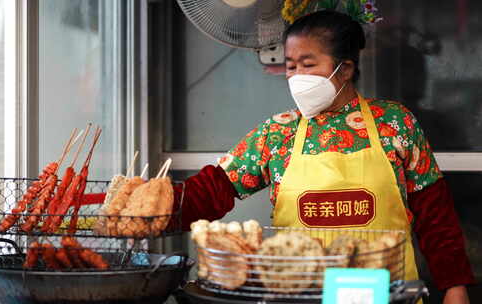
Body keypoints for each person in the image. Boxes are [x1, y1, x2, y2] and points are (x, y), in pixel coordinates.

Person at [172, 10, 475, 304]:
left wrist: (454, 284)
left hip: (386, 295)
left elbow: (435, 216)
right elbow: (213, 190)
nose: (297, 76)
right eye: (291, 66)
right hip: (297, 296)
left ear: (344, 69)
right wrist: (160, 209)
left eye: (308, 64)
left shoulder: (395, 123)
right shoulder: (278, 132)